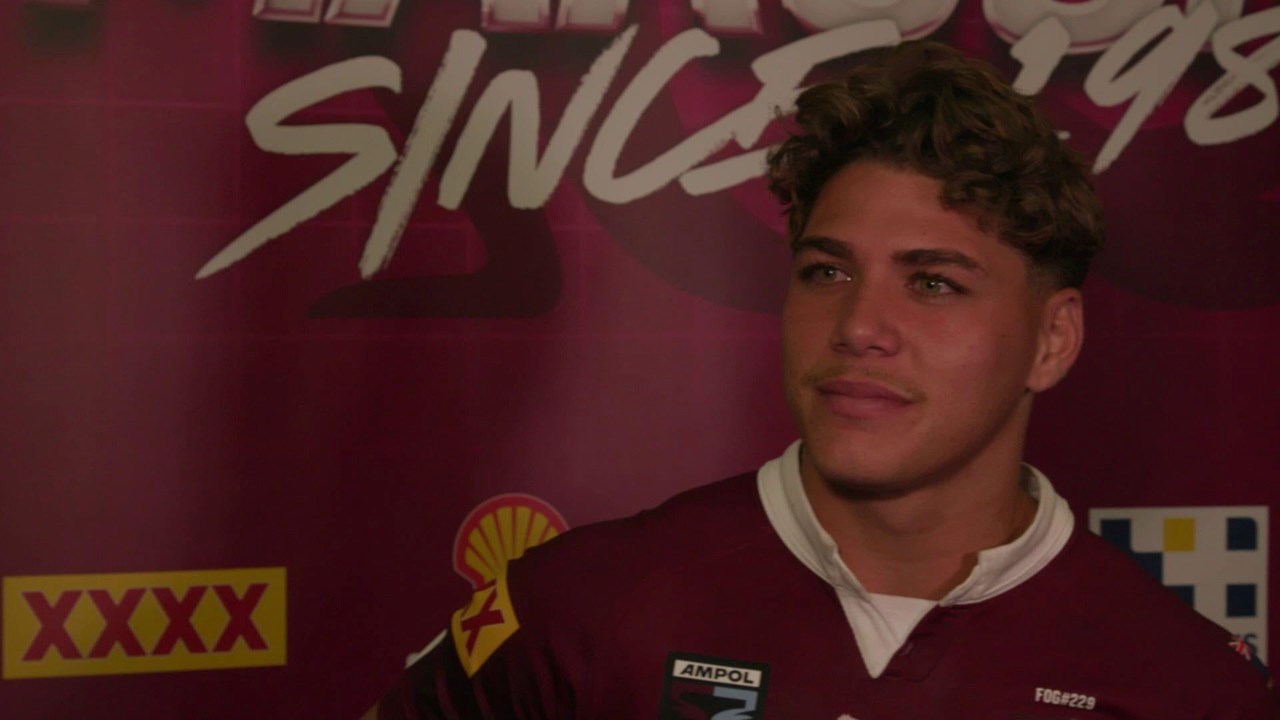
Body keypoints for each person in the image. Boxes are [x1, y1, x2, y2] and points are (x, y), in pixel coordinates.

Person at [363, 40, 1278, 719]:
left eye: (932, 283)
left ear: (1053, 338)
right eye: (826, 272)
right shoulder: (583, 610)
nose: (859, 328)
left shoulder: (1185, 685)